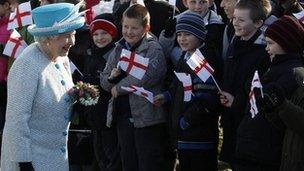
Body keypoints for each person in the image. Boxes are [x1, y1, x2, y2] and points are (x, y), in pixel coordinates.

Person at [0, 2, 85, 171]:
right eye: (67, 35)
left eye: (73, 34)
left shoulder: (62, 58)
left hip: (56, 157)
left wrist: (80, 96)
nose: (72, 41)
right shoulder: (27, 64)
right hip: (32, 159)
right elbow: (16, 119)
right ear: (48, 37)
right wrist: (23, 162)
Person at [100, 4, 168, 171]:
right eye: (125, 26)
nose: (129, 32)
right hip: (122, 116)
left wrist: (119, 87)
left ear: (146, 28)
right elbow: (104, 80)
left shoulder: (153, 48)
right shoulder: (118, 48)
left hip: (146, 118)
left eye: (134, 28)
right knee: (128, 162)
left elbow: (147, 76)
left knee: (147, 163)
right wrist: (112, 79)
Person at [154, 12, 222, 171]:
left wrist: (185, 121)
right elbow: (178, 86)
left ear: (200, 35)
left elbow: (206, 98)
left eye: (188, 34)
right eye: (179, 34)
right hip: (184, 135)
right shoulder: (184, 57)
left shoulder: (203, 60)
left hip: (199, 135)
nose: (182, 39)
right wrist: (166, 96)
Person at [219, 0, 271, 168]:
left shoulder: (263, 53)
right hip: (232, 119)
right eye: (234, 18)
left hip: (249, 125)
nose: (235, 23)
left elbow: (256, 90)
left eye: (241, 20)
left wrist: (237, 102)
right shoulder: (236, 43)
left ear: (257, 23)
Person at [251, 15, 304, 171]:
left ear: (286, 43)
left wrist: (282, 105)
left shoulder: (294, 74)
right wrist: (271, 109)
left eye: (270, 43)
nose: (266, 48)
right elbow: (286, 125)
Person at [73, 13, 122, 171]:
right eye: (96, 34)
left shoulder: (116, 54)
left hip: (109, 118)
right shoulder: (90, 55)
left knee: (112, 158)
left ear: (113, 34)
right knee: (99, 157)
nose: (100, 38)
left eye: (104, 33)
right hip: (94, 117)